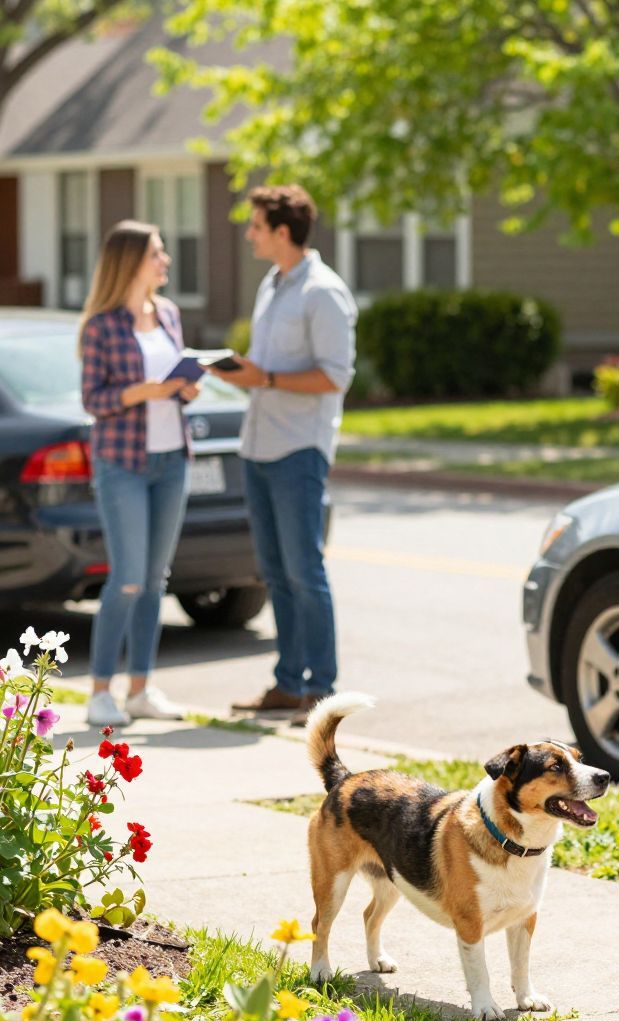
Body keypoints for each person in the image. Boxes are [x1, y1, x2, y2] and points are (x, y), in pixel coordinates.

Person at [215, 185, 356, 726]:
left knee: (304, 571)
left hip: (299, 449)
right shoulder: (272, 284)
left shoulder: (323, 292)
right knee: (274, 572)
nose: (248, 234)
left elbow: (335, 377)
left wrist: (266, 378)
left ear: (281, 231)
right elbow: (267, 368)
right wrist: (242, 372)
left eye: (255, 225)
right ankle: (288, 682)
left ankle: (321, 693)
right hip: (259, 445)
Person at [78, 220, 198, 727]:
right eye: (157, 253)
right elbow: (93, 399)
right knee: (127, 578)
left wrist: (186, 389)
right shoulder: (101, 326)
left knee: (154, 580)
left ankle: (141, 689)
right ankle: (99, 692)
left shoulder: (168, 314)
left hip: (172, 460)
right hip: (123, 463)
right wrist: (143, 392)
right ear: (131, 261)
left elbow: (177, 383)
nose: (165, 260)